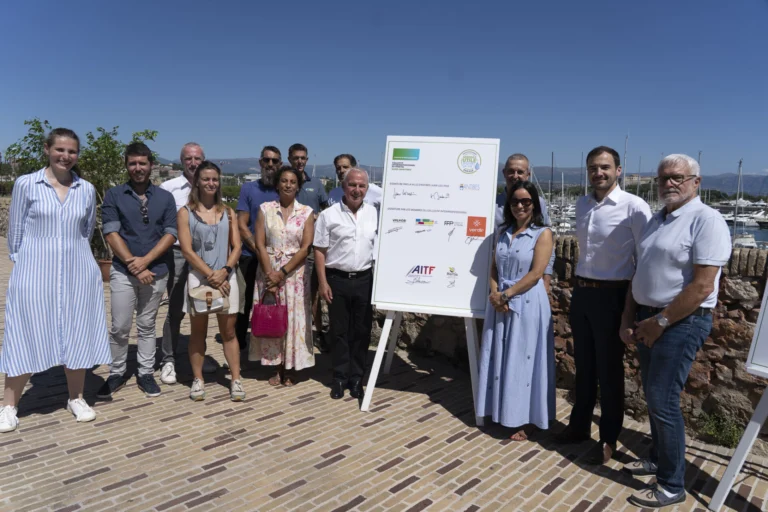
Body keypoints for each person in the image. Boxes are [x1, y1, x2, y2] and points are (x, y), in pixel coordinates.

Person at [621, 155, 730, 508]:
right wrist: (628, 318)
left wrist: (661, 322)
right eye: (663, 178)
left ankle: (671, 484)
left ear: (696, 182)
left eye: (677, 177)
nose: (669, 183)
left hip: (680, 322)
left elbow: (702, 286)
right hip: (648, 318)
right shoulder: (657, 220)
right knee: (653, 396)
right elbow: (638, 274)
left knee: (663, 399)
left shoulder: (706, 220)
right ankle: (657, 459)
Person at [0, 128, 111, 432]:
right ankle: (9, 405)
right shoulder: (26, 184)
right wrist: (27, 265)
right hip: (35, 271)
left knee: (77, 331)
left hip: (79, 272)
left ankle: (76, 397)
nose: (66, 156)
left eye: (72, 151)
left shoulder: (86, 189)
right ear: (47, 149)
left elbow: (85, 231)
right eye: (60, 149)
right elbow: (15, 233)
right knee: (25, 331)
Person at [553, 146, 652, 465]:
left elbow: (645, 259)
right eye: (593, 168)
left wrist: (629, 310)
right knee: (583, 366)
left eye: (605, 167)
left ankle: (608, 438)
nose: (599, 173)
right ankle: (579, 426)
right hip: (582, 293)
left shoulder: (634, 206)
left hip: (614, 295)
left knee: (609, 372)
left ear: (618, 170)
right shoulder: (582, 204)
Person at [96, 142, 178, 399]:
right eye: (133, 163)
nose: (138, 168)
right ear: (126, 165)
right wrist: (134, 263)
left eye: (142, 163)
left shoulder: (165, 197)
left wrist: (146, 262)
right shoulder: (114, 195)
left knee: (146, 325)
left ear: (151, 165)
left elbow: (170, 234)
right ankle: (117, 372)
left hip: (156, 271)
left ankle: (145, 373)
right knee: (120, 326)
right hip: (123, 271)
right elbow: (111, 232)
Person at [476, 181, 555, 439]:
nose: (520, 206)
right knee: (501, 357)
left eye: (526, 201)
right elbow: (493, 268)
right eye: (515, 201)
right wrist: (495, 294)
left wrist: (506, 295)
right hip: (501, 302)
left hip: (527, 302)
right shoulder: (502, 232)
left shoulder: (542, 234)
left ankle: (526, 418)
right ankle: (502, 411)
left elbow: (536, 273)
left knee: (524, 360)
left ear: (534, 204)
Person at [178, 161, 246, 401]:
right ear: (197, 182)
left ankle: (235, 379)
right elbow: (187, 250)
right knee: (198, 332)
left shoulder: (228, 212)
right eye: (206, 179)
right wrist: (211, 275)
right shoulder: (185, 212)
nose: (211, 183)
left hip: (226, 277)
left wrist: (224, 271)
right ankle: (198, 379)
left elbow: (237, 246)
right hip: (199, 278)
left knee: (229, 332)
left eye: (215, 179)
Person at [314, 169, 377, 400]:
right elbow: (319, 250)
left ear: (367, 189)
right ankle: (340, 378)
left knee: (362, 332)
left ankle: (357, 378)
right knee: (339, 332)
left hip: (364, 280)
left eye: (361, 186)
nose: (357, 190)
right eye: (352, 185)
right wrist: (322, 282)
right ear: (343, 186)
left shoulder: (374, 213)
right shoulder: (328, 215)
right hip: (337, 280)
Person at [159, 142, 218, 383]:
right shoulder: (169, 188)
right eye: (188, 159)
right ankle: (168, 359)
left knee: (201, 308)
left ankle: (199, 357)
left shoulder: (211, 187)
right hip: (177, 255)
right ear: (181, 161)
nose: (193, 163)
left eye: (197, 158)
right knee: (175, 310)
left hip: (205, 256)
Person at [252, 165, 314, 386]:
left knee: (294, 319)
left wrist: (283, 272)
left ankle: (291, 367)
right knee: (273, 316)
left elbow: (305, 248)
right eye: (284, 181)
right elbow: (260, 243)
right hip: (268, 270)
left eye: (293, 182)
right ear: (277, 184)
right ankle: (276, 366)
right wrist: (270, 274)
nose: (288, 185)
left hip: (295, 274)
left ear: (298, 186)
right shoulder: (265, 209)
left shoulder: (306, 212)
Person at [235, 146, 280, 351]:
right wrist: (260, 250)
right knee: (244, 302)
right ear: (260, 162)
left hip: (277, 259)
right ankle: (238, 344)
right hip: (250, 255)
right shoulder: (248, 189)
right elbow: (242, 224)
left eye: (274, 161)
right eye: (266, 160)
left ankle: (269, 340)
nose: (270, 164)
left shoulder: (283, 188)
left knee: (272, 300)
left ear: (280, 164)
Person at [291, 143, 330, 352]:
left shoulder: (316, 183)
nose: (299, 161)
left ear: (306, 160)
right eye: (296, 157)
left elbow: (327, 212)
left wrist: (316, 217)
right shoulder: (285, 182)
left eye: (303, 158)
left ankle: (317, 332)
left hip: (312, 248)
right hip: (289, 248)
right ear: (290, 159)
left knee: (313, 293)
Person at [495, 154, 554, 291]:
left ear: (528, 174)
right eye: (511, 171)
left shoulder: (538, 203)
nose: (515, 176)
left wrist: (546, 278)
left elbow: (548, 241)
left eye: (520, 172)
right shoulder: (493, 203)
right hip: (498, 279)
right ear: (504, 173)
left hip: (528, 282)